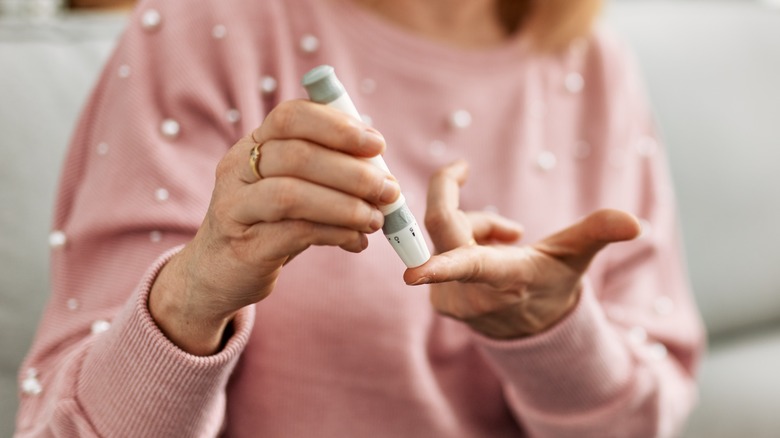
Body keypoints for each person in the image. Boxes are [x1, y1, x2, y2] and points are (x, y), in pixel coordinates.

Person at [15, 0, 705, 436]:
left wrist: (552, 336)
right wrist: (193, 297)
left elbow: (644, 422)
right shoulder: (203, 26)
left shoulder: (594, 64)